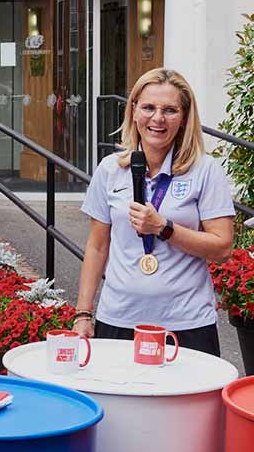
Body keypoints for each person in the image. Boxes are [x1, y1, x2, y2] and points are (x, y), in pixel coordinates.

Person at [74, 68, 234, 356]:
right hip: (119, 319)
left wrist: (164, 228)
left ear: (184, 117)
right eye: (148, 107)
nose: (157, 119)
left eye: (170, 110)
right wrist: (83, 313)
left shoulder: (205, 170)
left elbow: (221, 247)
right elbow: (97, 247)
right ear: (134, 111)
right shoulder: (110, 169)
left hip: (186, 324)